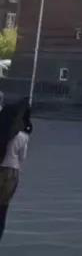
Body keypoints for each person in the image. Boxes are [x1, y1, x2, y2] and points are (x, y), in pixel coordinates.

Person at [0, 101, 31, 243]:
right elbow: (22, 157)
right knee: (3, 208)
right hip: (11, 172)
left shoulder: (2, 130)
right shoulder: (23, 137)